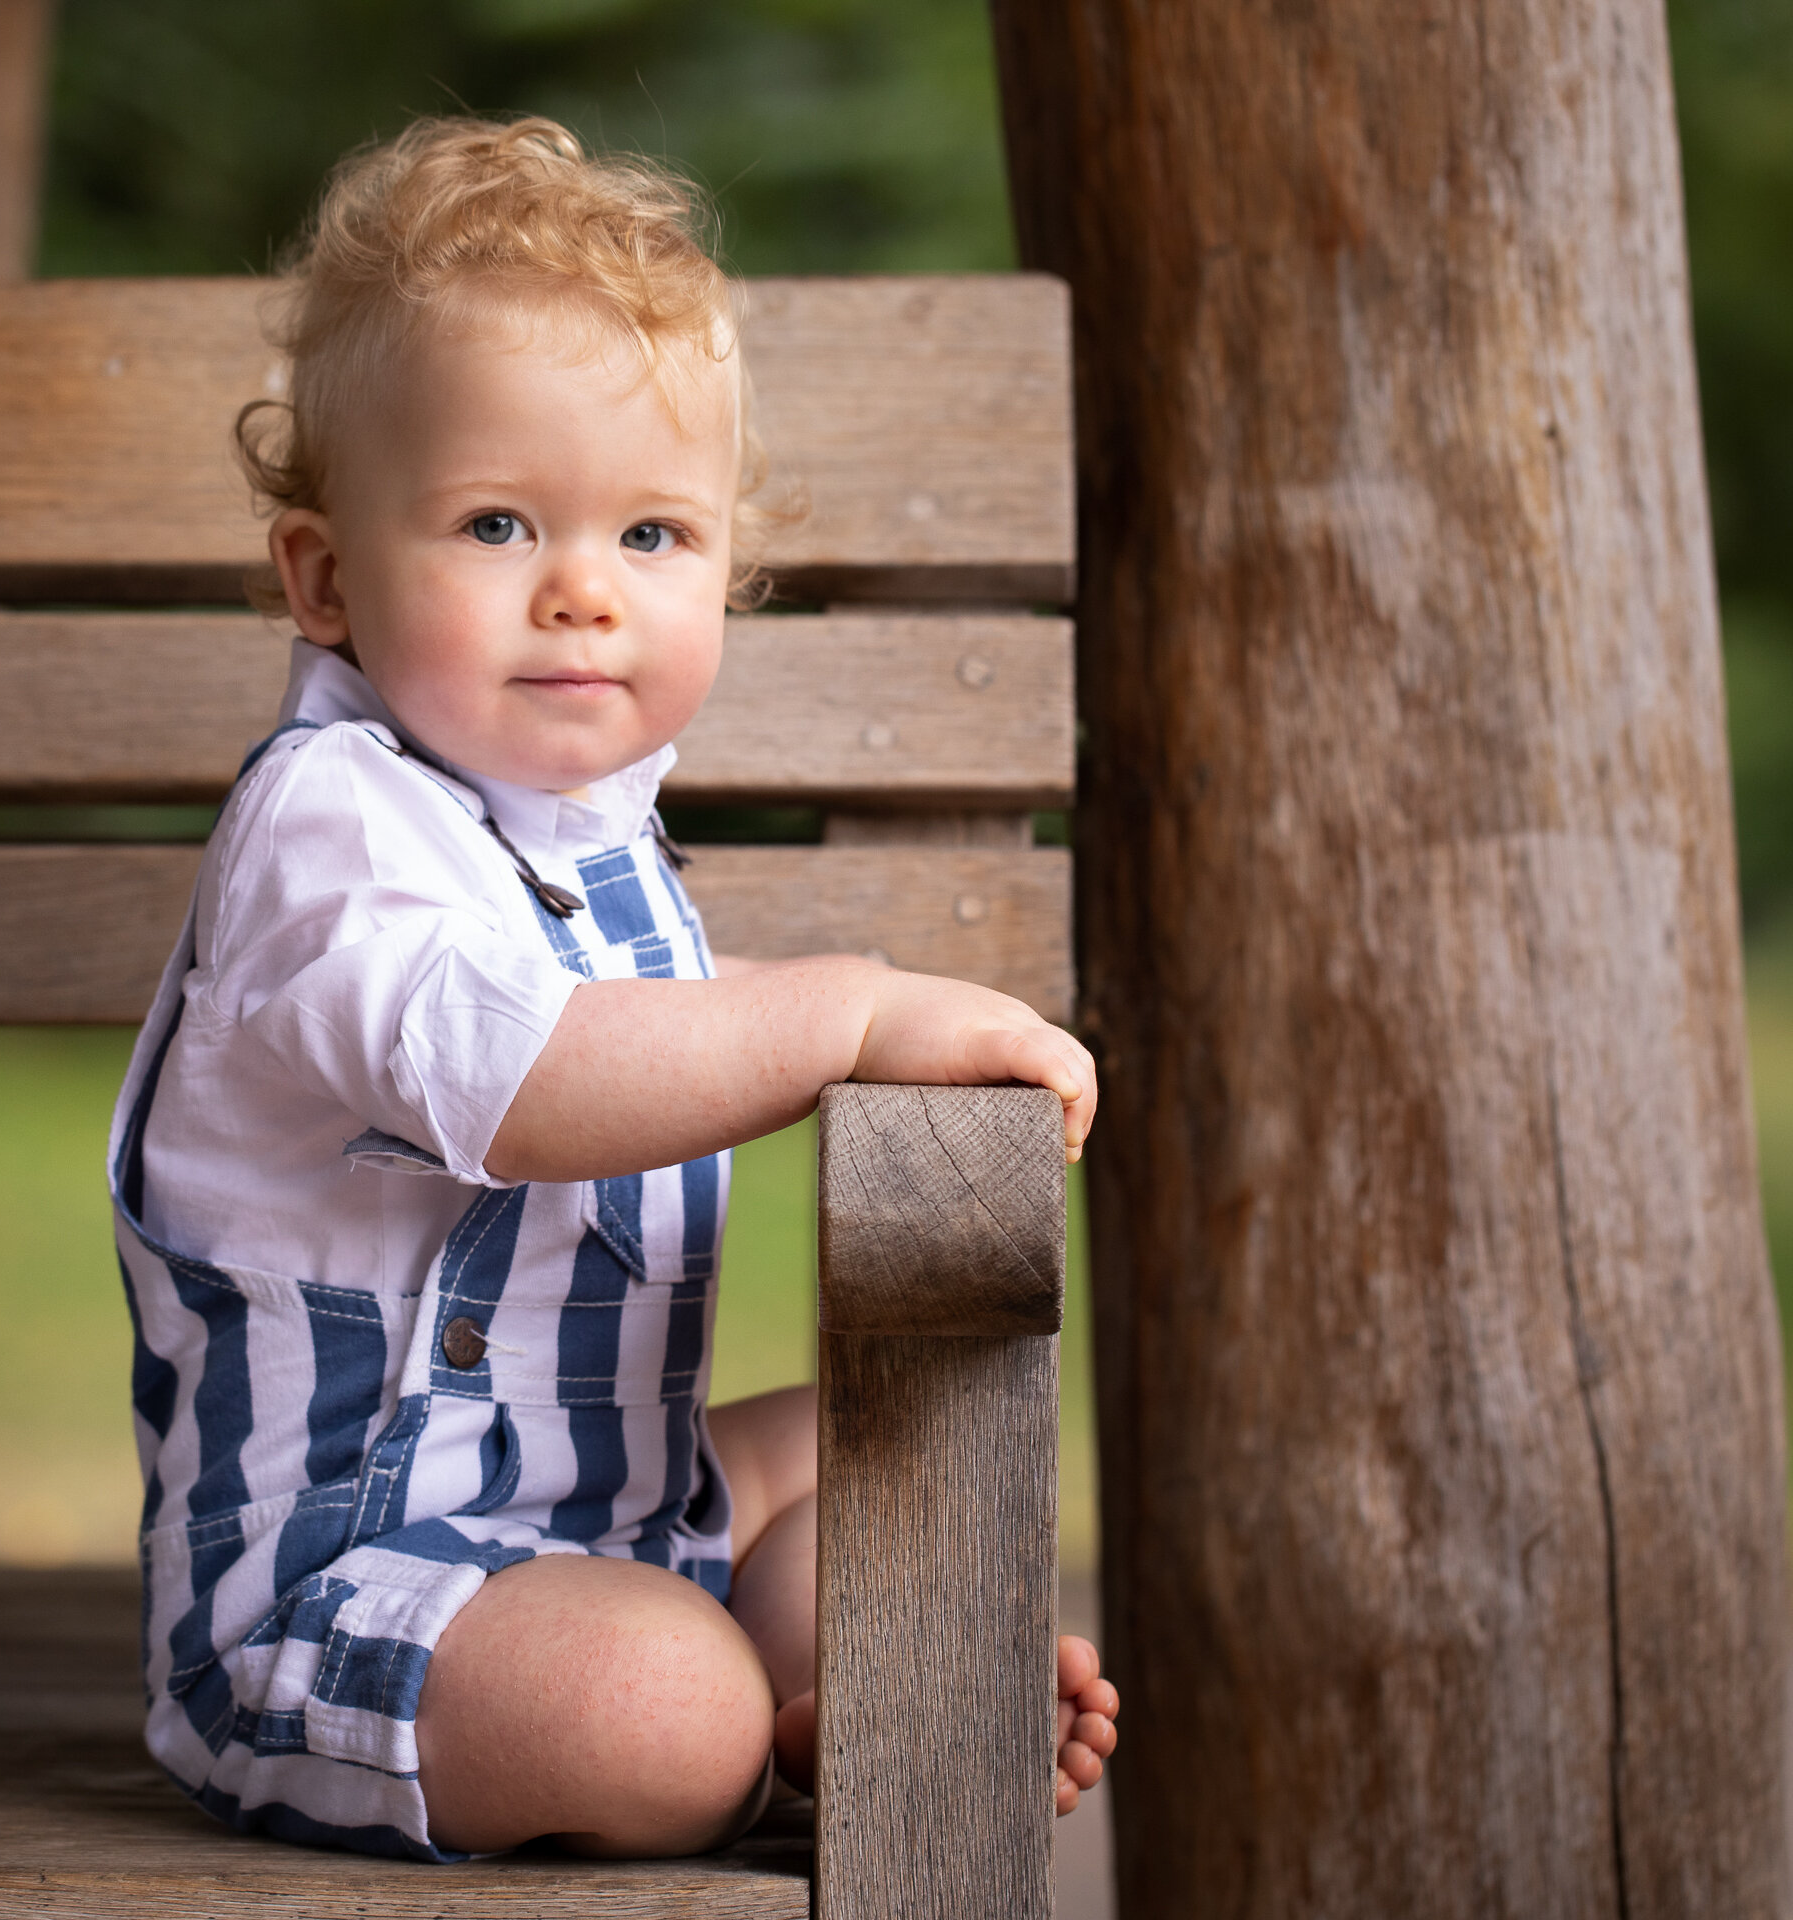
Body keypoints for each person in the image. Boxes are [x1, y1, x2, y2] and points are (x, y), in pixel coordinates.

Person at [108, 113, 1119, 1864]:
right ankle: (759, 1729)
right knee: (657, 1711)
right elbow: (527, 1083)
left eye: (652, 535)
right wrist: (854, 1018)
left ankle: (885, 1688)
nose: (581, 588)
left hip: (590, 1513)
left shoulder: (596, 849)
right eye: (497, 522)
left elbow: (639, 1072)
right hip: (349, 1582)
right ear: (329, 578)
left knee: (898, 1436)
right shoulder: (328, 832)